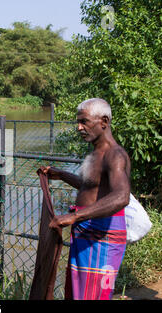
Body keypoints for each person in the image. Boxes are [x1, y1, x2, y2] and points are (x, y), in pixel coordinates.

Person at [40, 98, 131, 300]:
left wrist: (74, 217)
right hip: (86, 232)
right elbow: (89, 187)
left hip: (102, 236)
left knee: (94, 295)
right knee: (79, 293)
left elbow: (121, 196)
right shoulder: (95, 153)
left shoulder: (114, 155)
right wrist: (61, 174)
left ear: (104, 122)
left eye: (84, 122)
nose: (79, 127)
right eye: (78, 122)